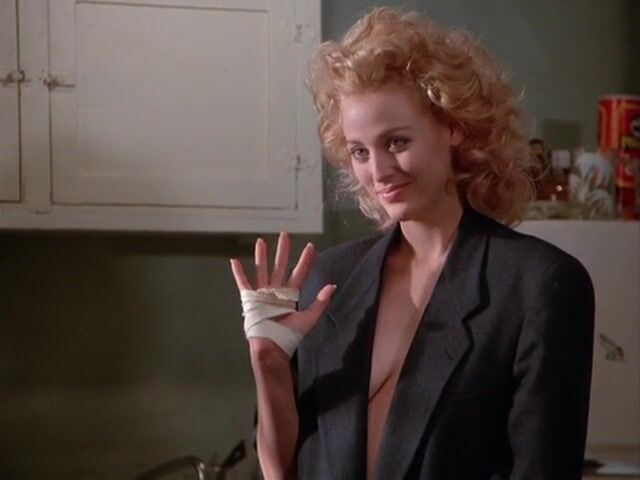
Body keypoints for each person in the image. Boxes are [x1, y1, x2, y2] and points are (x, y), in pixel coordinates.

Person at [230, 7, 595, 480]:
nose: (379, 172)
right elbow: (282, 470)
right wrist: (270, 364)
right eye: (360, 151)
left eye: (397, 142)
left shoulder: (538, 285)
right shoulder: (329, 282)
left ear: (453, 125)